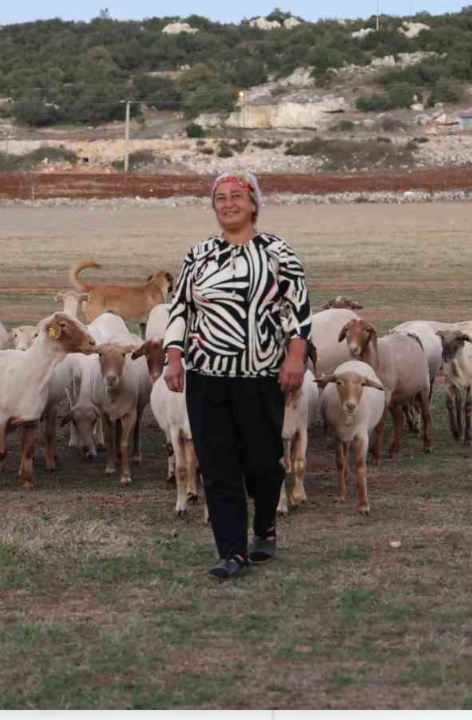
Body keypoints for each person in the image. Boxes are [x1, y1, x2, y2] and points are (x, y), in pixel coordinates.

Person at [162, 171, 311, 580]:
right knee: (216, 462)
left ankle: (264, 526)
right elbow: (180, 310)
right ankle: (231, 550)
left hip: (260, 373)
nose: (228, 204)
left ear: (253, 204)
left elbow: (296, 309)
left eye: (236, 197)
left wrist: (295, 358)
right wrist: (173, 357)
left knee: (263, 463)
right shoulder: (198, 255)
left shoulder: (278, 252)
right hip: (207, 374)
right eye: (220, 198)